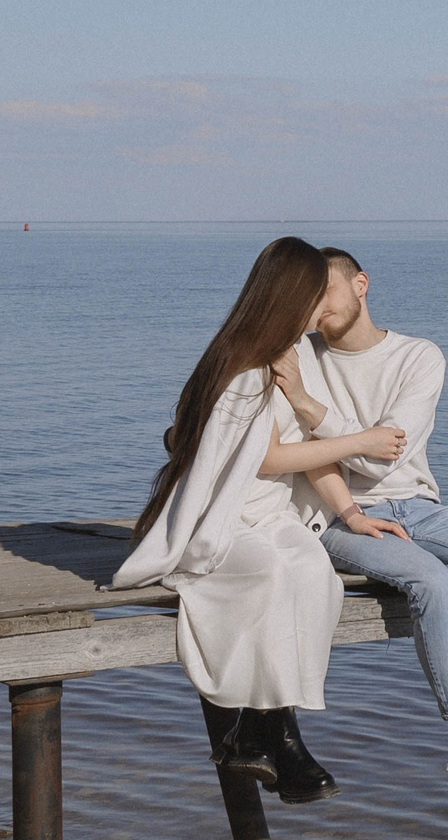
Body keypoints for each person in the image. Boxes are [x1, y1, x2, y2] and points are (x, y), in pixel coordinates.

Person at [111, 235, 406, 804]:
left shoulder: (289, 357)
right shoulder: (246, 363)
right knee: (272, 572)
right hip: (227, 520)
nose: (321, 308)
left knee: (311, 572)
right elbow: (267, 457)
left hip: (271, 514)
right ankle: (277, 737)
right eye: (312, 295)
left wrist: (350, 511)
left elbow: (290, 444)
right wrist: (362, 440)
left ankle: (258, 731)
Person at [271, 245, 448, 816]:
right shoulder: (295, 354)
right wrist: (302, 398)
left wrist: (308, 404)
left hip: (416, 505)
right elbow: (344, 461)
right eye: (305, 299)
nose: (316, 308)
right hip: (331, 514)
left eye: (324, 292)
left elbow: (384, 459)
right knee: (427, 578)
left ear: (360, 285)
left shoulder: (419, 357)